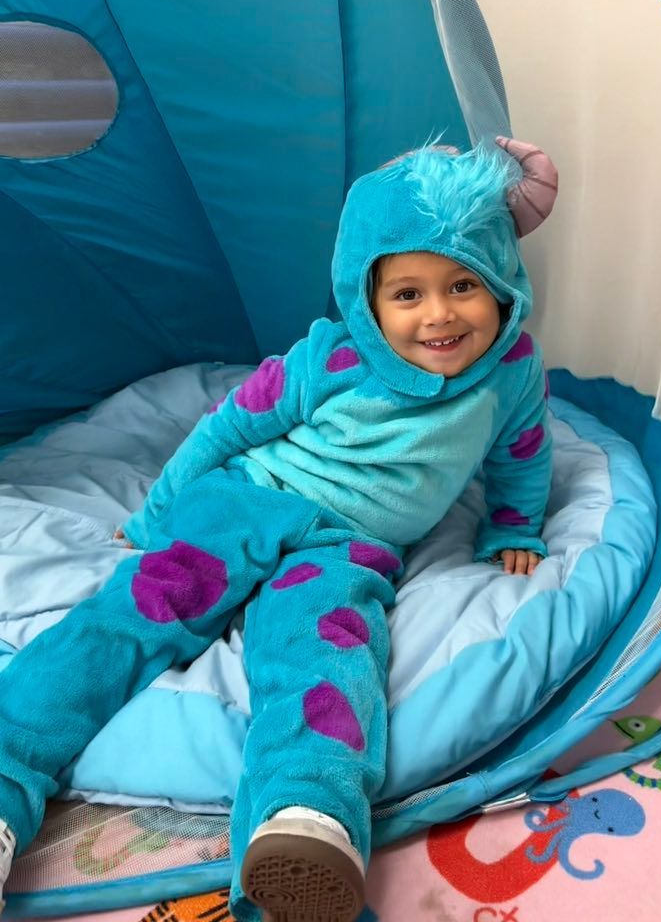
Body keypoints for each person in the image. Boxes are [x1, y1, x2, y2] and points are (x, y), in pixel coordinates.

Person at [0, 136, 556, 922]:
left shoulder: (511, 372)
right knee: (132, 618)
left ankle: (305, 817)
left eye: (464, 283)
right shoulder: (329, 359)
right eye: (407, 294)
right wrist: (159, 512)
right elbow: (226, 428)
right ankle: (6, 773)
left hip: (351, 545)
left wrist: (513, 525)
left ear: (501, 283)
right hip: (246, 500)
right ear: (366, 299)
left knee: (326, 649)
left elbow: (525, 455)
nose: (439, 314)